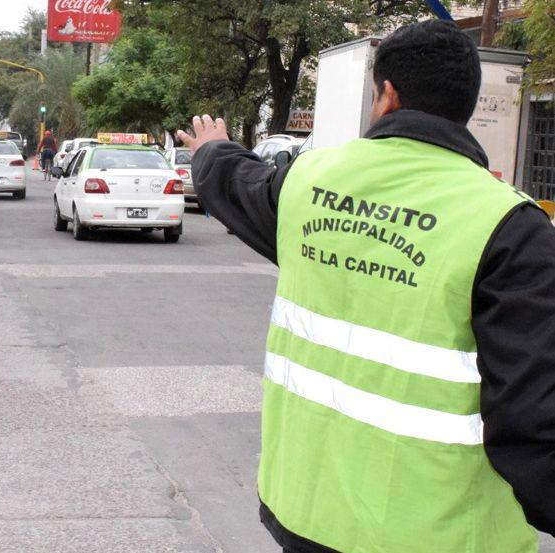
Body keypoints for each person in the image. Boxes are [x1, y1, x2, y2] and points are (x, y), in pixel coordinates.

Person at [178, 20, 555, 553]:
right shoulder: (509, 226)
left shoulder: (307, 181)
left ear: (387, 95)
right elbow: (534, 421)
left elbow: (238, 184)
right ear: (466, 106)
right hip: (437, 536)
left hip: (305, 513)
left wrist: (210, 149)